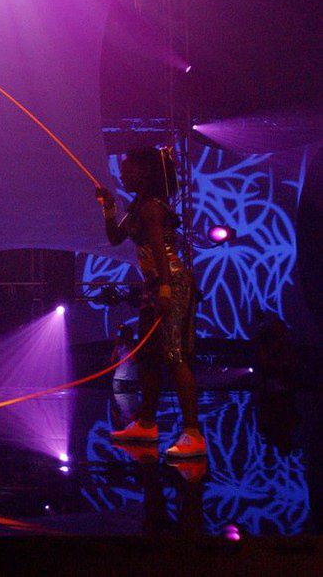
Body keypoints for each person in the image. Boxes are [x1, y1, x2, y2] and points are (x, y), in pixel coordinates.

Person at [97, 146, 206, 457]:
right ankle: (146, 424)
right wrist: (108, 208)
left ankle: (193, 434)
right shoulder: (139, 207)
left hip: (170, 284)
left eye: (127, 170)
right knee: (147, 356)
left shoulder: (152, 208)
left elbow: (159, 249)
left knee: (175, 354)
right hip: (155, 286)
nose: (122, 175)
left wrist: (166, 290)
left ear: (145, 173)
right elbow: (116, 238)